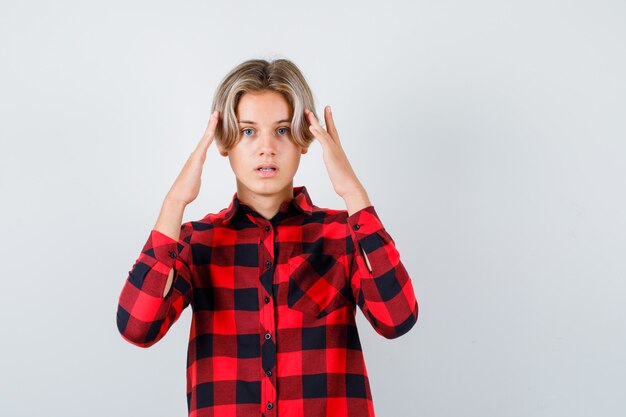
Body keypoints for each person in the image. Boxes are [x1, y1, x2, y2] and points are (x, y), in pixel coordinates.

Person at [116, 58, 418, 417]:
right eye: (247, 131)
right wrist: (174, 202)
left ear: (305, 140)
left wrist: (353, 193)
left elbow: (397, 319)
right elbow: (137, 327)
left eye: (282, 131)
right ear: (224, 141)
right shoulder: (195, 244)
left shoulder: (343, 235)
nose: (266, 148)